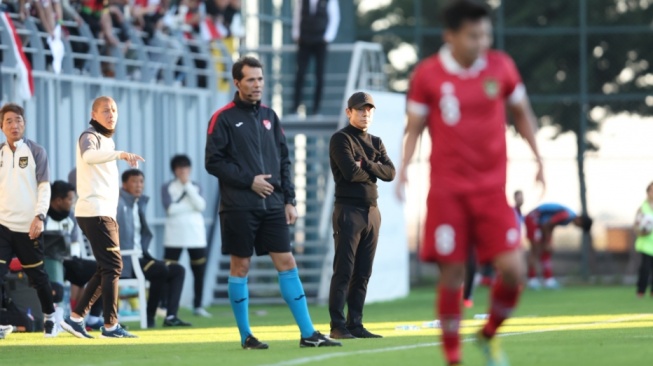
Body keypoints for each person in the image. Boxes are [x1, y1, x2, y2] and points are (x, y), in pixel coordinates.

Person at [396, 1, 546, 365]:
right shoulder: (428, 74)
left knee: (514, 270)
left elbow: (522, 113)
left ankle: (489, 333)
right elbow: (414, 128)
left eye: (486, 34)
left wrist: (540, 158)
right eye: (473, 35)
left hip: (491, 192)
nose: (482, 41)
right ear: (451, 36)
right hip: (447, 192)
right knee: (453, 273)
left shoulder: (501, 66)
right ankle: (453, 358)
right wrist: (403, 168)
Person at [205, 56, 341, 349]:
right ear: (237, 82)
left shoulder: (270, 115)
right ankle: (246, 336)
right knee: (240, 267)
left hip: (274, 206)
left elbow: (284, 159)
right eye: (251, 79)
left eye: (260, 79)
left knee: (287, 262)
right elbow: (213, 162)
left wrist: (289, 200)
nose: (257, 85)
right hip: (239, 206)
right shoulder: (223, 118)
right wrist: (249, 180)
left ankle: (308, 333)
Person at [60, 96, 142, 339]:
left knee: (107, 266)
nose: (111, 114)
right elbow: (88, 156)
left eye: (114, 109)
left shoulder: (106, 139)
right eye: (106, 110)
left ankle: (76, 319)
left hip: (102, 212)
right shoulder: (90, 136)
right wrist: (120, 154)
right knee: (114, 265)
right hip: (95, 212)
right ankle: (110, 325)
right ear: (94, 115)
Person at [327, 92, 395, 339]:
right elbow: (349, 173)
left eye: (369, 110)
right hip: (348, 211)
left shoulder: (376, 141)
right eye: (360, 110)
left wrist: (366, 165)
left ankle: (355, 323)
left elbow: (391, 173)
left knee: (363, 272)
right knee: (344, 270)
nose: (365, 114)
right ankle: (337, 325)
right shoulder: (341, 139)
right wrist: (374, 170)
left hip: (372, 212)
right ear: (349, 112)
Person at [0, 102, 58, 337]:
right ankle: (3, 322)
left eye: (19, 120)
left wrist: (39, 216)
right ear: (2, 126)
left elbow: (44, 188)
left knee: (37, 276)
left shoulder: (36, 151)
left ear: (24, 123)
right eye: (9, 121)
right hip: (2, 225)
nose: (15, 125)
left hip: (29, 226)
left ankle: (51, 316)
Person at [118, 169, 191, 328]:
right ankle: (149, 316)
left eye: (141, 181)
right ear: (124, 184)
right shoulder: (118, 204)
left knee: (178, 270)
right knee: (160, 270)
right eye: (134, 181)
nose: (139, 185)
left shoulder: (138, 204)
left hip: (141, 258)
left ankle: (171, 316)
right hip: (125, 260)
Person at [46, 180, 105, 330]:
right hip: (48, 262)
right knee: (56, 268)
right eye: (70, 199)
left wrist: (75, 259)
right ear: (58, 200)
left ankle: (91, 318)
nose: (72, 203)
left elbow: (74, 241)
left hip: (69, 261)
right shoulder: (42, 216)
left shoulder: (71, 216)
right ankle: (55, 318)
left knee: (105, 270)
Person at [161, 154, 211, 318]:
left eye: (185, 167)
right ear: (174, 170)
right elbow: (170, 209)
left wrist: (187, 188)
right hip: (174, 235)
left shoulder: (195, 186)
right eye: (179, 168)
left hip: (196, 236)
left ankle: (198, 305)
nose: (183, 171)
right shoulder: (167, 186)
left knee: (199, 271)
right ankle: (165, 305)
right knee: (168, 270)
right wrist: (189, 206)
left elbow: (201, 205)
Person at [524, 203, 592, 290]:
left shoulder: (569, 218)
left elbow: (551, 225)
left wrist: (548, 242)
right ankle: (531, 280)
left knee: (546, 251)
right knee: (535, 250)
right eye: (580, 226)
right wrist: (547, 242)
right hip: (533, 219)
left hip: (540, 224)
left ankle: (548, 280)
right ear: (580, 220)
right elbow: (547, 224)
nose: (577, 228)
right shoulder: (567, 215)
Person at [291, 0, 340, 116]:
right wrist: (296, 35)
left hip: (320, 41)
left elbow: (335, 18)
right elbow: (297, 16)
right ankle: (295, 108)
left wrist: (327, 37)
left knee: (319, 75)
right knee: (300, 73)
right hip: (304, 41)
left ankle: (316, 110)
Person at [634, 182, 653, 297]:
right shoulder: (643, 207)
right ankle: (641, 291)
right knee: (645, 269)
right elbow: (636, 225)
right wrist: (642, 231)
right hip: (646, 245)